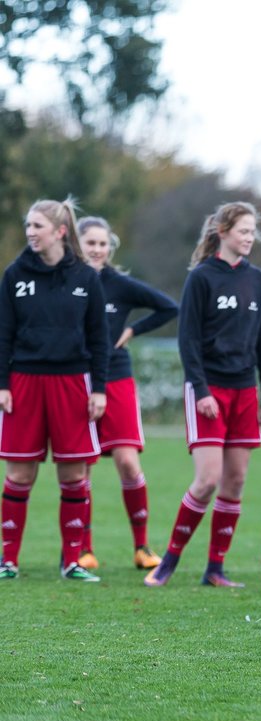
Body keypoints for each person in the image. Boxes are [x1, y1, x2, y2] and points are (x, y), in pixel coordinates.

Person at [144, 201, 261, 589]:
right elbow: (188, 342)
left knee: (235, 482)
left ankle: (215, 568)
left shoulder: (259, 281)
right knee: (208, 479)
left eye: (253, 232)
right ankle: (168, 560)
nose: (249, 238)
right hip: (209, 390)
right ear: (223, 232)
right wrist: (200, 389)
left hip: (244, 392)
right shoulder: (201, 278)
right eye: (243, 231)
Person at [0, 199, 110, 582]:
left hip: (73, 384)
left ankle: (72, 562)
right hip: (24, 383)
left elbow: (99, 338)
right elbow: (4, 334)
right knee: (19, 475)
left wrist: (99, 388)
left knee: (73, 475)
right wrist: (2, 383)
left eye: (37, 226)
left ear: (60, 231)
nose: (30, 232)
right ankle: (8, 560)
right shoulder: (15, 274)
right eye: (28, 225)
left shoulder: (86, 277)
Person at [75, 215, 178, 573]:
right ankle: (81, 549)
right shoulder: (67, 282)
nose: (98, 250)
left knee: (129, 464)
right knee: (81, 468)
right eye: (91, 243)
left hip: (117, 379)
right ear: (77, 244)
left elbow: (169, 307)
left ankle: (142, 547)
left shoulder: (119, 285)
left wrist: (133, 329)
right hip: (76, 380)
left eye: (103, 244)